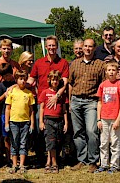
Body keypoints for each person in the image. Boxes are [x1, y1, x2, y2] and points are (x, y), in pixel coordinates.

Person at [27, 36, 69, 165]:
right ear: (46, 47)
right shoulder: (39, 62)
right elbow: (31, 79)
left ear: (57, 47)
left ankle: (57, 157)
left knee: (58, 131)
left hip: (59, 101)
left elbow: (65, 81)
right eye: (49, 45)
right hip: (44, 102)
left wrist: (57, 95)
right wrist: (17, 86)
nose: (51, 48)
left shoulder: (63, 62)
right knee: (41, 130)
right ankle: (42, 156)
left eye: (53, 45)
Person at [68, 38, 106, 173]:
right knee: (78, 132)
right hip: (76, 100)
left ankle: (93, 161)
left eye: (90, 46)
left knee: (91, 131)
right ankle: (81, 160)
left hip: (91, 102)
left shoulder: (100, 64)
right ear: (82, 48)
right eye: (85, 46)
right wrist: (70, 102)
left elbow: (103, 85)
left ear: (94, 48)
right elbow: (70, 84)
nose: (87, 49)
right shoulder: (74, 64)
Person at [94, 61, 120, 174]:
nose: (111, 72)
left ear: (117, 72)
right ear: (106, 72)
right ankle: (103, 164)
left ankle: (114, 165)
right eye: (109, 70)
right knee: (103, 142)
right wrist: (98, 119)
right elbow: (99, 102)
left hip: (115, 118)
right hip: (104, 118)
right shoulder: (102, 85)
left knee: (115, 142)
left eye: (113, 70)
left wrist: (118, 119)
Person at [5, 70, 35, 174]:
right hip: (13, 122)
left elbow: (31, 110)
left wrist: (32, 124)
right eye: (20, 79)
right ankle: (14, 164)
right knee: (14, 143)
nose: (22, 81)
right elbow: (7, 108)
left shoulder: (29, 93)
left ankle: (22, 164)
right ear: (16, 80)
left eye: (24, 79)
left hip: (25, 122)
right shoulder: (12, 92)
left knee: (23, 143)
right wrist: (7, 123)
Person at [38, 70, 69, 174]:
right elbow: (41, 108)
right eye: (52, 80)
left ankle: (50, 161)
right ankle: (53, 163)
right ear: (49, 80)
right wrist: (41, 122)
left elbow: (64, 110)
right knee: (50, 141)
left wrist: (66, 122)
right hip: (48, 120)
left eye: (56, 80)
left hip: (59, 120)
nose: (54, 82)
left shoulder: (61, 94)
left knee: (56, 141)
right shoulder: (45, 92)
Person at [0, 63, 16, 166]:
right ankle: (8, 158)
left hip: (16, 113)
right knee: (6, 136)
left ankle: (15, 157)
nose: (6, 78)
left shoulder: (16, 83)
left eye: (8, 75)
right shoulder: (1, 85)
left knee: (15, 136)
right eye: (4, 76)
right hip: (5, 113)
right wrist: (4, 95)